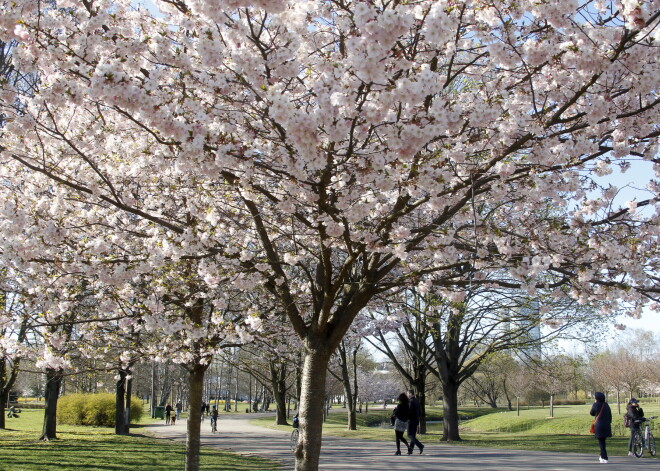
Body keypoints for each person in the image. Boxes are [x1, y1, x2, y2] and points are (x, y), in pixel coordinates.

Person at [590, 392, 612, 464]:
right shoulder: (606, 405)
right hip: (606, 425)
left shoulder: (595, 405)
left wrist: (594, 404)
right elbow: (610, 415)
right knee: (603, 441)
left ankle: (604, 457)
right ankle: (601, 456)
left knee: (601, 442)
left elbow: (592, 413)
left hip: (599, 425)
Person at [407, 389, 425, 454]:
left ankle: (420, 445)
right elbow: (420, 411)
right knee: (413, 435)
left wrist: (407, 418)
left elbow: (409, 412)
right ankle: (410, 449)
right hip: (416, 420)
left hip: (411, 420)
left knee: (409, 434)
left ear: (410, 394)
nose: (407, 395)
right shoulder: (417, 401)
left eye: (408, 394)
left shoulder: (411, 401)